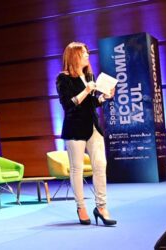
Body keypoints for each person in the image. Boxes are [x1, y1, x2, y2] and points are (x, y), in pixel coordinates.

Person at [56, 41, 117, 226]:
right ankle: (81, 207)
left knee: (100, 164)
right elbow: (68, 104)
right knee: (77, 169)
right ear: (74, 55)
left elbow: (91, 104)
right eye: (83, 52)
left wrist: (104, 97)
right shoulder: (63, 78)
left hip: (93, 127)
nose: (87, 55)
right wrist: (86, 91)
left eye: (87, 52)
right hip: (74, 128)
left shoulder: (89, 76)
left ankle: (101, 206)